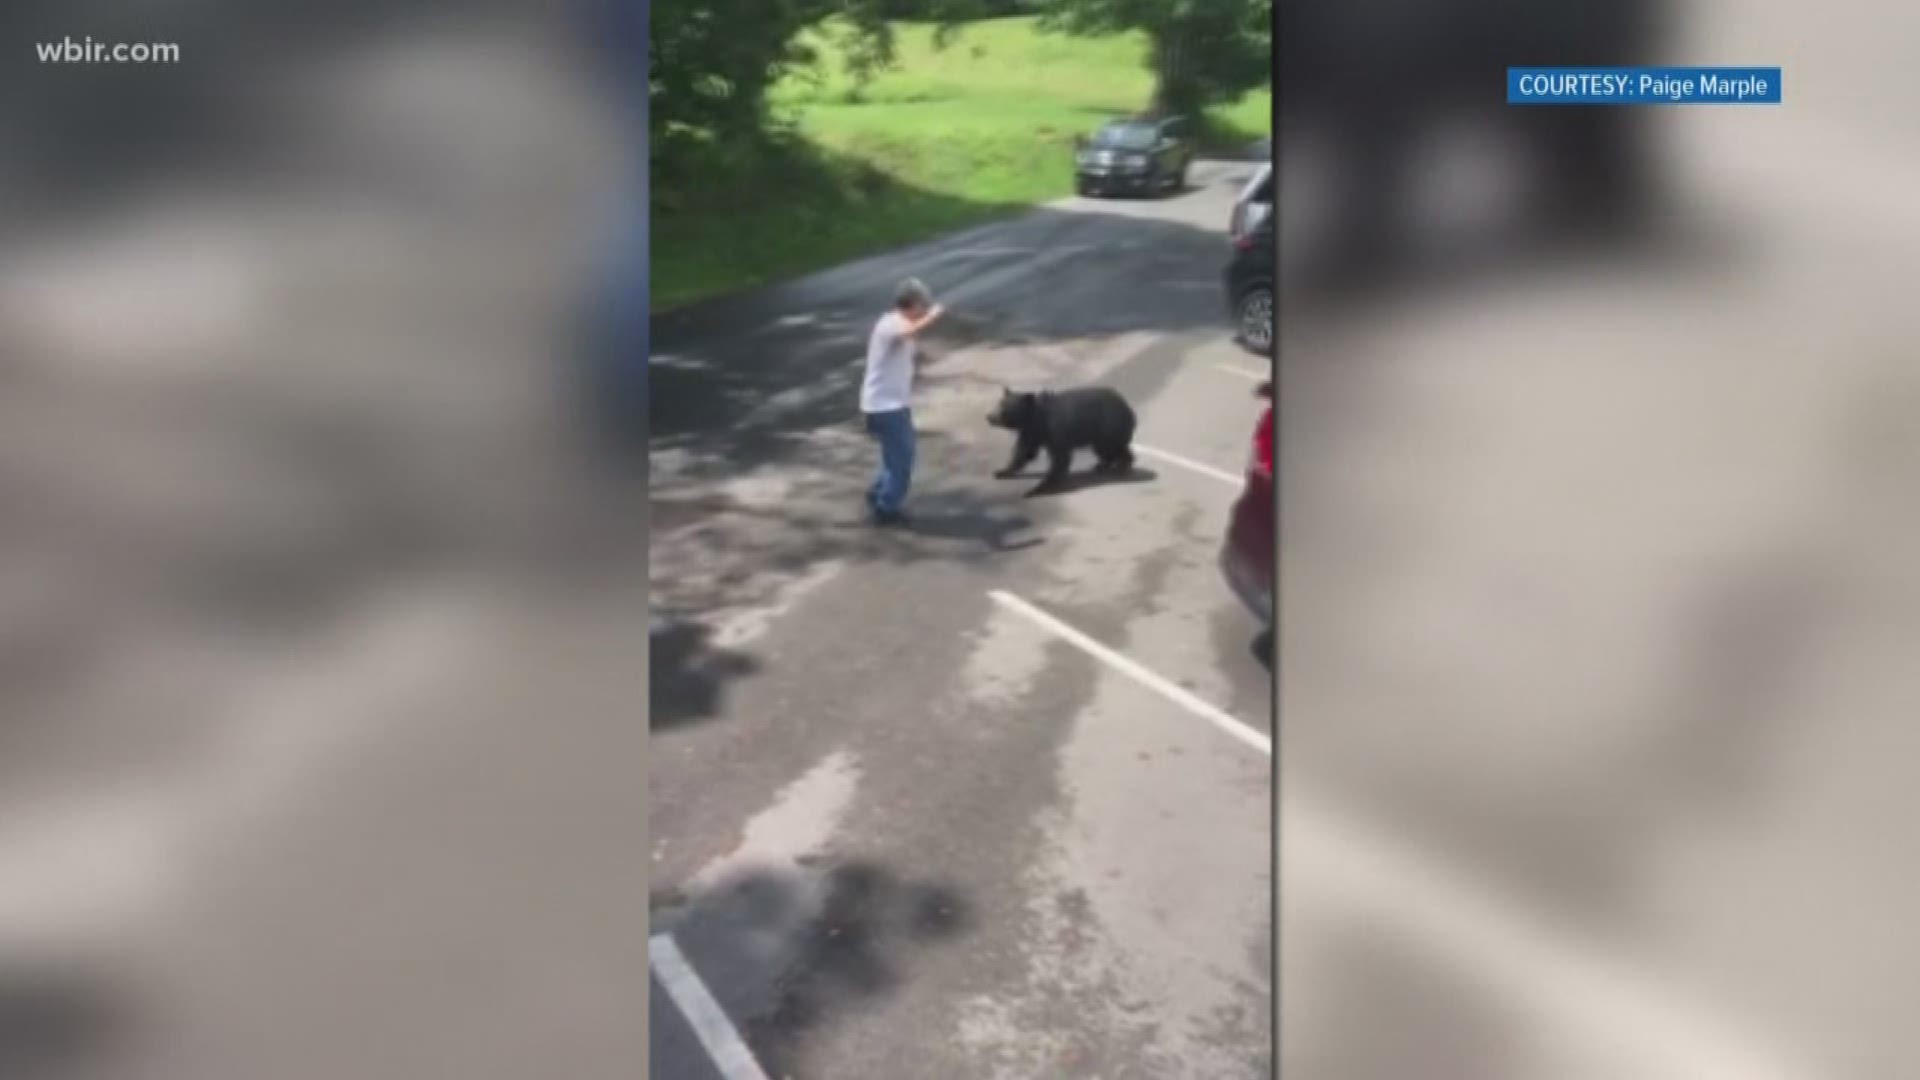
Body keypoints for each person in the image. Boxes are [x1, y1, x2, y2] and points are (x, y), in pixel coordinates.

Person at [860, 278, 945, 526]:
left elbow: (905, 348)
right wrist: (935, 315)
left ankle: (878, 493)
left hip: (891, 404)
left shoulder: (895, 324)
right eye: (922, 306)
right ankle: (886, 509)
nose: (924, 310)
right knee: (903, 462)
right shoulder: (893, 323)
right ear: (912, 304)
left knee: (893, 457)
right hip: (885, 408)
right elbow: (910, 332)